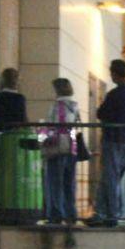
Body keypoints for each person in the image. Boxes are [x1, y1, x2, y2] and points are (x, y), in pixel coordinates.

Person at [89, 59, 125, 226]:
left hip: (114, 139)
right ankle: (102, 212)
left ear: (114, 73)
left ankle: (112, 214)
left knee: (110, 178)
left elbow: (101, 113)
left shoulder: (115, 94)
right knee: (113, 177)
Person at [0, 68, 27, 216]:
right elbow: (23, 120)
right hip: (14, 140)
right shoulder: (20, 98)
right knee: (13, 172)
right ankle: (12, 206)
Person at [38, 78, 81, 224]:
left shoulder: (58, 106)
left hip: (57, 148)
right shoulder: (74, 106)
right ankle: (71, 213)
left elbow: (52, 127)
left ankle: (55, 214)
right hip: (72, 146)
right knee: (69, 182)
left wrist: (41, 136)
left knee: (54, 182)